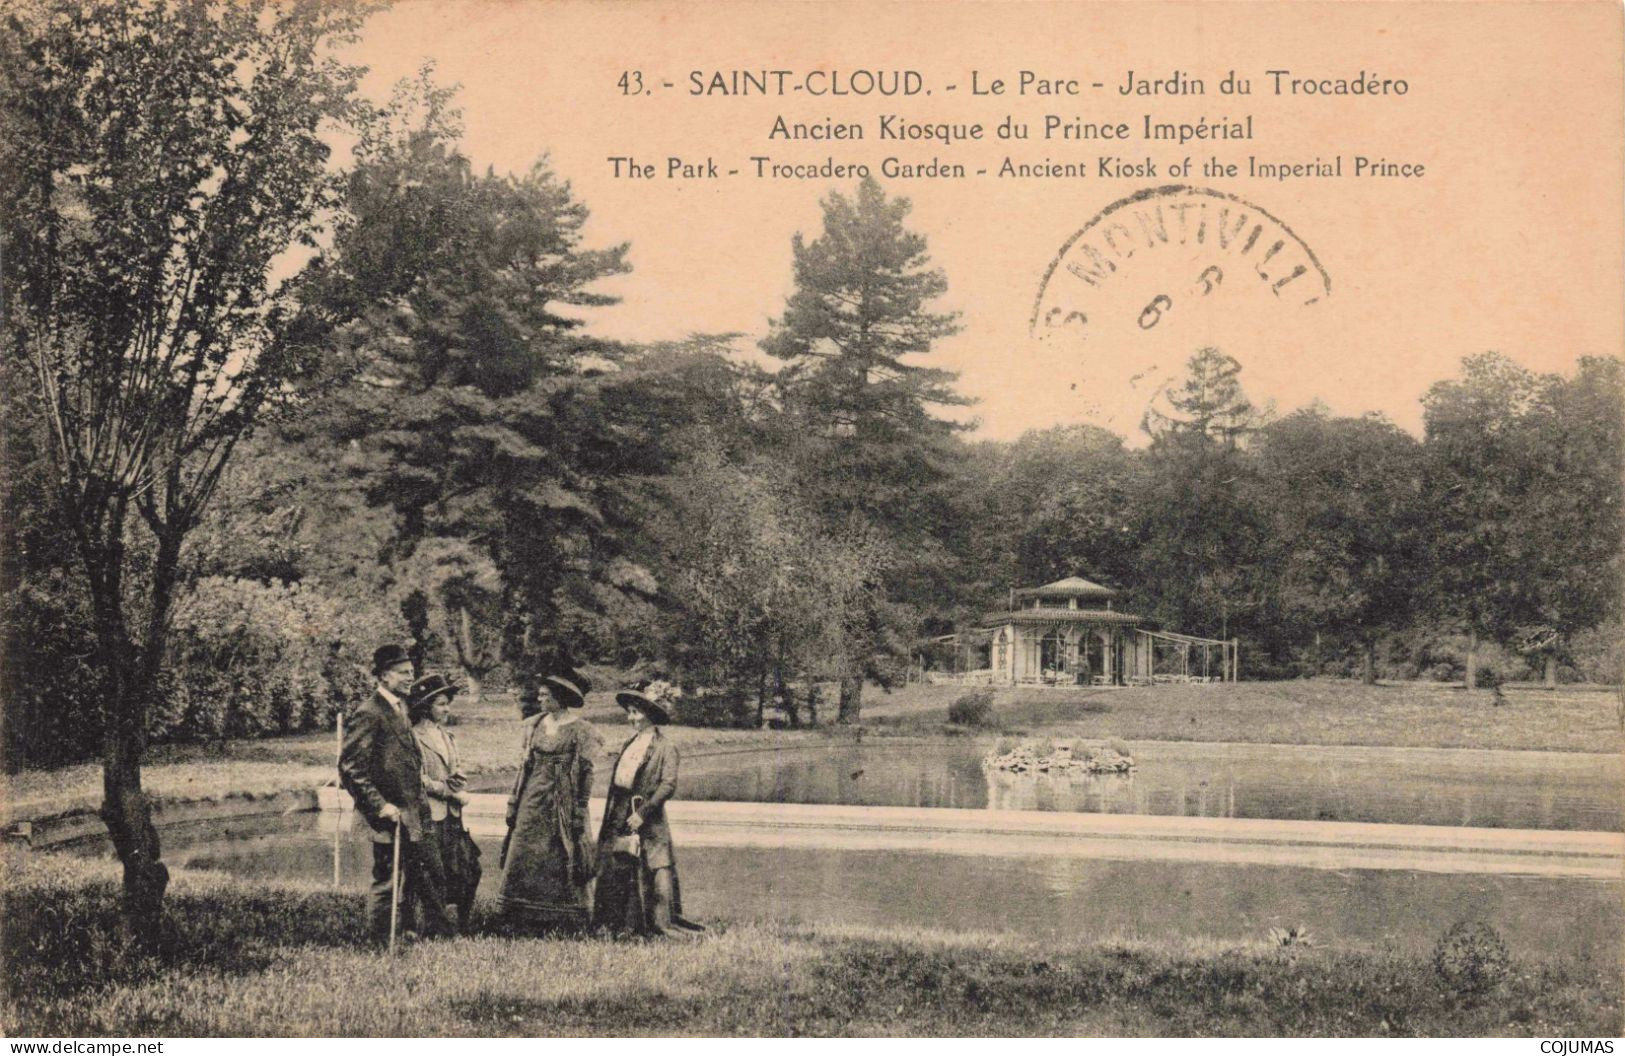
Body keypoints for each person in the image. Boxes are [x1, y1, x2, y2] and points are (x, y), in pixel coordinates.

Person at [338, 644, 453, 946]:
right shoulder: (369, 712)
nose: (409, 678)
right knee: (387, 882)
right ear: (384, 676)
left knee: (426, 876)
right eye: (403, 673)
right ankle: (379, 943)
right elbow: (350, 769)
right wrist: (380, 806)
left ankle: (420, 933)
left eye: (411, 673)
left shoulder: (400, 708)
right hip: (387, 817)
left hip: (412, 814)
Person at [594, 680, 702, 938]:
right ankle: (615, 924)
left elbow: (668, 784)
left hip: (647, 816)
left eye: (636, 712)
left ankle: (650, 923)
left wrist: (643, 813)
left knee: (651, 864)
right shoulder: (629, 744)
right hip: (620, 811)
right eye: (629, 712)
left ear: (650, 714)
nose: (632, 718)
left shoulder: (666, 748)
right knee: (617, 862)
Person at [497, 669, 602, 932]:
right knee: (524, 847)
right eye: (540, 694)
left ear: (560, 698)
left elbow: (587, 774)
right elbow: (525, 768)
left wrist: (579, 809)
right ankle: (520, 915)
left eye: (545, 695)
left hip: (563, 800)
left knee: (561, 851)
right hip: (533, 797)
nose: (540, 699)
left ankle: (564, 918)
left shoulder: (582, 731)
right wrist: (514, 801)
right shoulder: (534, 725)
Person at [409, 674, 481, 932]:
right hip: (430, 814)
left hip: (453, 815)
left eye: (447, 703)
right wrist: (447, 791)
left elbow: (456, 768)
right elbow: (417, 779)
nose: (446, 708)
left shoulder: (447, 735)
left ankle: (462, 923)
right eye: (440, 703)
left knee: (468, 869)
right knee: (432, 873)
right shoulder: (414, 737)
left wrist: (459, 782)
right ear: (426, 706)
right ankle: (435, 926)